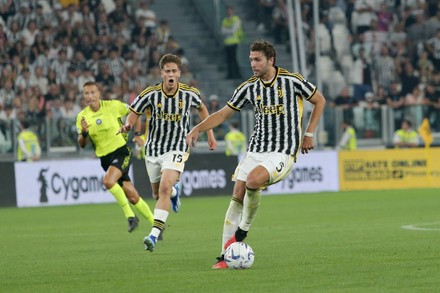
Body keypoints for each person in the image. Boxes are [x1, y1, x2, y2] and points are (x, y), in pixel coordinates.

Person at [186, 39, 326, 269]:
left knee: (253, 181)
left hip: (283, 151)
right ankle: (224, 256)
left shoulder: (292, 81)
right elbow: (222, 114)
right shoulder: (248, 87)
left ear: (270, 60)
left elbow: (319, 100)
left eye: (257, 59)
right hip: (256, 150)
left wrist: (309, 133)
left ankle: (242, 232)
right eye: (251, 59)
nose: (253, 64)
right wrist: (197, 128)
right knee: (237, 195)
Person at [118, 54, 217, 253]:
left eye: (174, 71)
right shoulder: (150, 93)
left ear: (179, 73)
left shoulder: (189, 93)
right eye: (167, 71)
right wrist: (128, 124)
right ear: (161, 73)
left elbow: (203, 109)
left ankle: (153, 235)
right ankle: (175, 192)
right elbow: (135, 111)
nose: (170, 74)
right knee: (158, 193)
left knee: (163, 187)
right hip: (153, 150)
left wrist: (210, 135)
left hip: (177, 147)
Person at [76, 81, 154, 233]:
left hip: (121, 152)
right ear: (83, 96)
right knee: (132, 196)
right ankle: (156, 224)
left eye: (93, 92)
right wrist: (84, 133)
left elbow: (135, 111)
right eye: (87, 93)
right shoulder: (82, 116)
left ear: (99, 93)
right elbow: (82, 144)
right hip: (105, 160)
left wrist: (138, 134)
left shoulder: (113, 106)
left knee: (108, 180)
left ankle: (131, 216)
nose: (90, 96)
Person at [221, 5, 243, 79]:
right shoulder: (225, 20)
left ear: (232, 11)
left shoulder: (236, 19)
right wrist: (229, 31)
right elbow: (222, 31)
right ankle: (230, 74)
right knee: (229, 59)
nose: (228, 12)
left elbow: (234, 30)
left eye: (230, 10)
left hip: (234, 42)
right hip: (227, 42)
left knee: (234, 59)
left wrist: (227, 31)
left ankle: (237, 73)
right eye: (227, 10)